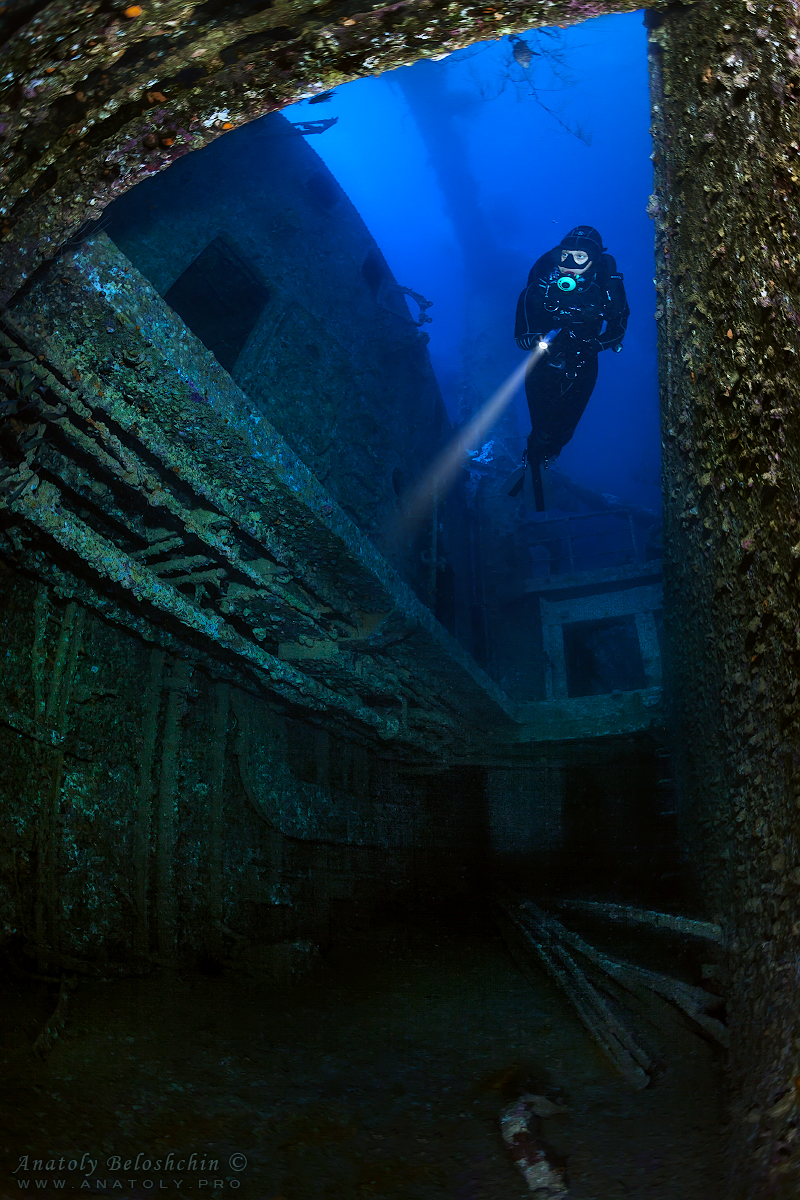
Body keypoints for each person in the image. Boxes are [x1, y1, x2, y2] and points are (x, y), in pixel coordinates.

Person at [512, 226, 629, 508]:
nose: (568, 265)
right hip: (544, 358)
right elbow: (525, 312)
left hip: (585, 359)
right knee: (541, 425)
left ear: (594, 260)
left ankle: (547, 455)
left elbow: (619, 326)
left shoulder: (606, 286)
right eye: (564, 256)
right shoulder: (544, 280)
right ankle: (535, 457)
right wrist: (533, 337)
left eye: (579, 258)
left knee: (565, 428)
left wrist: (596, 345)